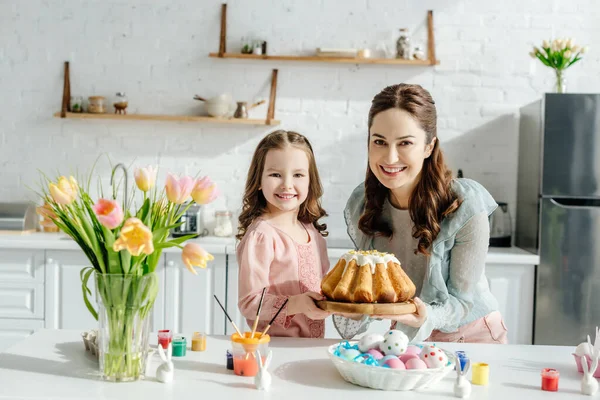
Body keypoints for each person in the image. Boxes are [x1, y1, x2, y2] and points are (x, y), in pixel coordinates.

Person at [336, 83, 508, 343]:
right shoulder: (364, 203)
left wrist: (425, 316)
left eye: (405, 143)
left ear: (429, 147)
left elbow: (462, 303)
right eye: (379, 142)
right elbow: (372, 287)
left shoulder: (464, 205)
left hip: (471, 337)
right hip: (407, 335)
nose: (390, 157)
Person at [237, 130, 332, 338]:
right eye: (275, 174)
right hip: (274, 350)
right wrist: (297, 303)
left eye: (298, 175)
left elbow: (325, 290)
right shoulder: (261, 236)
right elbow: (249, 303)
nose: (287, 184)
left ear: (310, 181)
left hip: (312, 348)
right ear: (259, 181)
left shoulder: (313, 234)